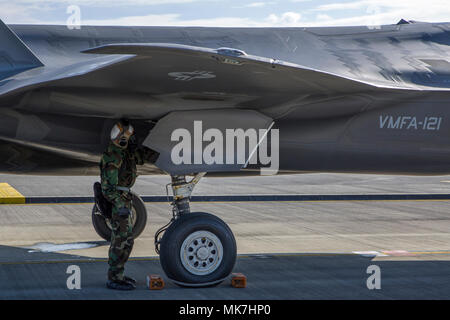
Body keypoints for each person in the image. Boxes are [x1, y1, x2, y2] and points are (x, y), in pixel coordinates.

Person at [100, 120, 158, 290]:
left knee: (127, 241)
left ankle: (119, 275)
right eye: (128, 137)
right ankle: (114, 278)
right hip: (119, 202)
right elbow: (107, 188)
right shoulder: (113, 156)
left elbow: (142, 157)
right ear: (122, 138)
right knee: (120, 241)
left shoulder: (125, 153)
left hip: (124, 199)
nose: (131, 140)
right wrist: (120, 205)